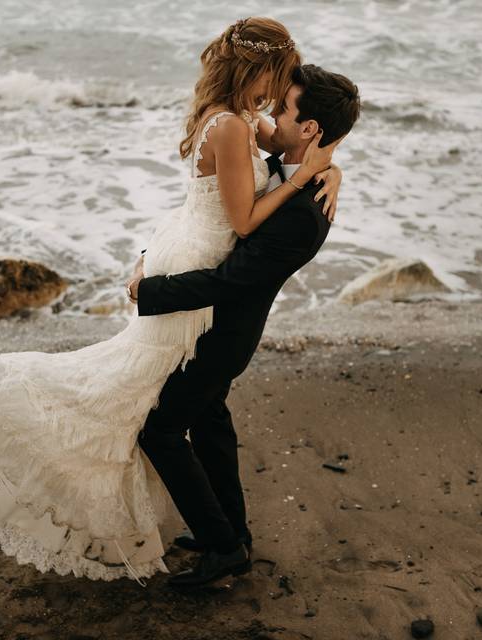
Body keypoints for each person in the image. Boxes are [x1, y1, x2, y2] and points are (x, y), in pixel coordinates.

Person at [0, 17, 343, 584]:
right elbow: (255, 197)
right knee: (159, 406)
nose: (275, 97)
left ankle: (227, 536)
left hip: (196, 268)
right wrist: (310, 172)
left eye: (284, 95)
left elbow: (287, 157)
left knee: (190, 413)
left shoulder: (236, 123)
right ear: (258, 72)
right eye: (278, 80)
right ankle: (225, 537)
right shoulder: (238, 129)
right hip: (194, 268)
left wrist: (327, 167)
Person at [127, 63, 361, 587]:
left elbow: (231, 281)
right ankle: (230, 529)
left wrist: (152, 292)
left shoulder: (306, 210)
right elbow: (210, 216)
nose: (268, 116)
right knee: (209, 421)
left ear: (311, 130)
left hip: (224, 337)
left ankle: (224, 547)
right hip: (216, 329)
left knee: (160, 430)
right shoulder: (297, 172)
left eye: (282, 110)